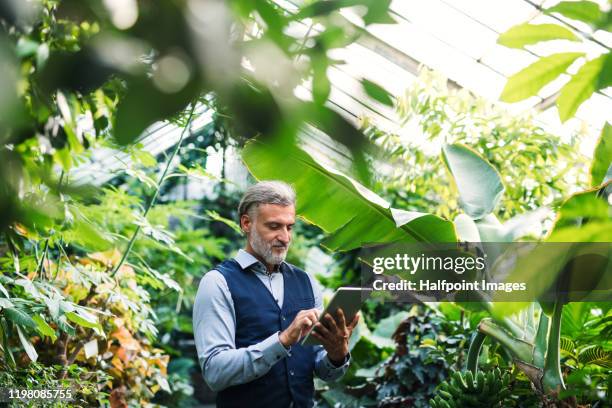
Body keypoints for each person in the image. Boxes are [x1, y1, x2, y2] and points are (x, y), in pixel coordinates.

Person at [193, 180, 359, 408]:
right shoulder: (217, 283)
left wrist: (336, 354)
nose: (285, 237)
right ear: (246, 223)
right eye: (274, 226)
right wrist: (282, 340)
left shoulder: (307, 282)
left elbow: (323, 371)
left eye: (289, 227)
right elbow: (215, 372)